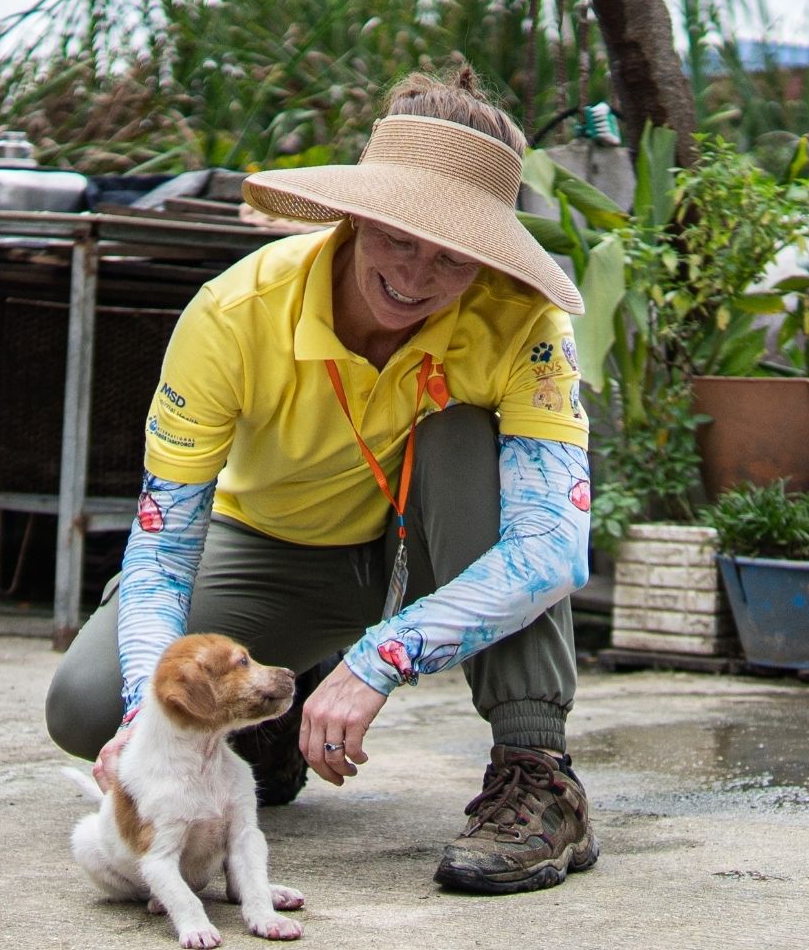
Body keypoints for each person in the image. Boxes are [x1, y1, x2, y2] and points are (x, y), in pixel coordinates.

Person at [46, 65, 597, 895]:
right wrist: (142, 719)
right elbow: (164, 547)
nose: (414, 278)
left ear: (487, 259)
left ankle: (536, 777)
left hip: (434, 546)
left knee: (456, 437)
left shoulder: (526, 325)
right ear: (356, 215)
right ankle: (272, 712)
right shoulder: (234, 312)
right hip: (280, 547)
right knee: (83, 705)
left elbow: (554, 548)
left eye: (452, 258)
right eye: (399, 239)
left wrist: (379, 660)